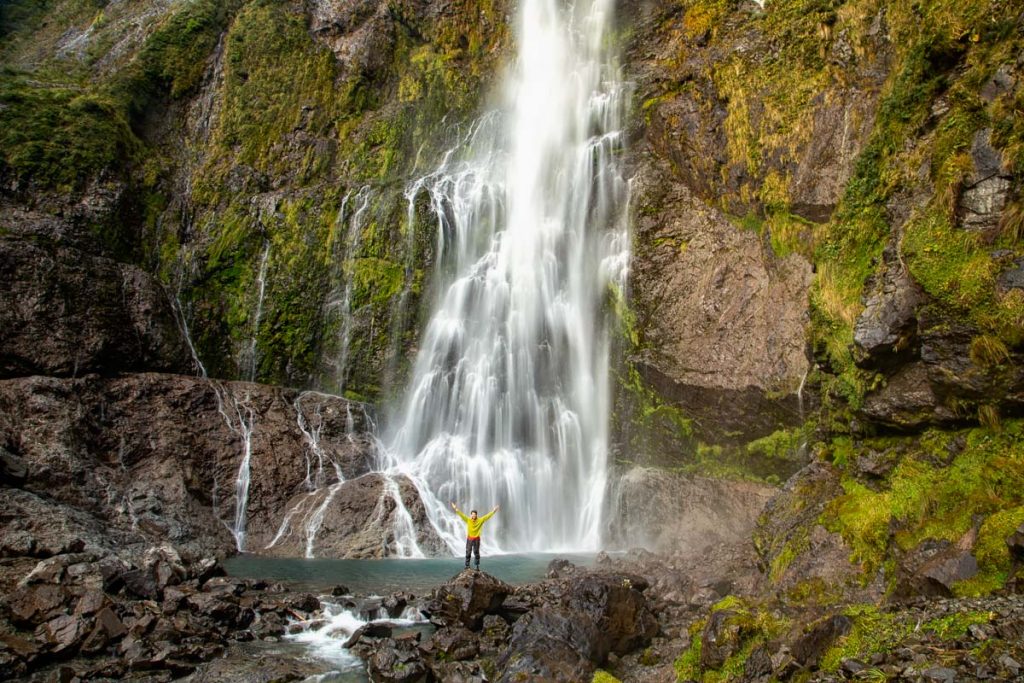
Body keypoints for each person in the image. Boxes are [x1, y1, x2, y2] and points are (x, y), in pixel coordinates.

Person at [450, 501, 499, 571]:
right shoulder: (468, 520)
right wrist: (455, 508)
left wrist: (494, 511)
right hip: (469, 539)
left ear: (476, 515)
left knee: (476, 552)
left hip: (476, 539)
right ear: (471, 515)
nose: (473, 516)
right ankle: (467, 565)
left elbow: (487, 516)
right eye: (472, 515)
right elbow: (461, 515)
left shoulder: (480, 520)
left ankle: (476, 566)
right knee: (468, 552)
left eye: (474, 514)